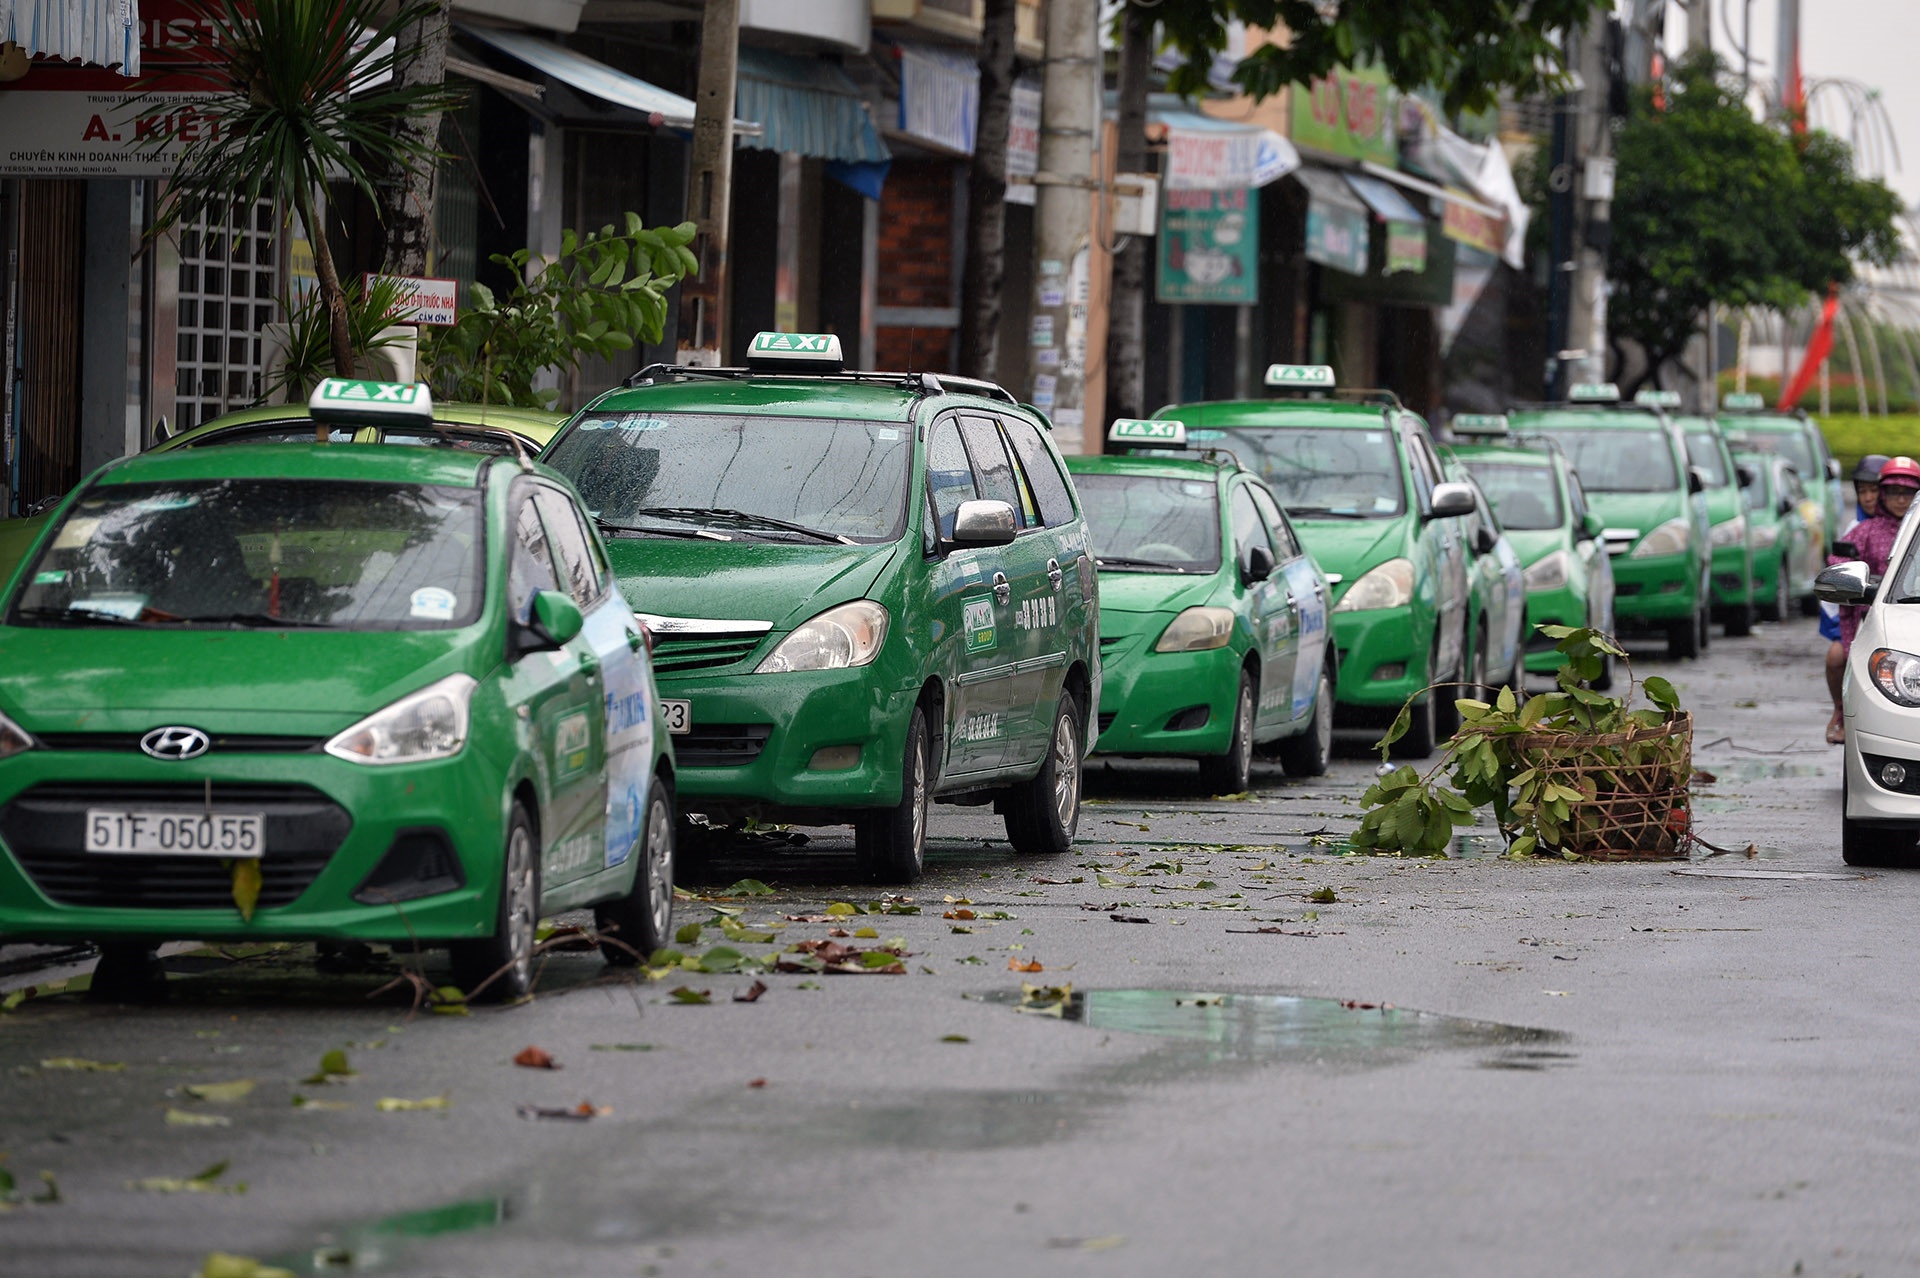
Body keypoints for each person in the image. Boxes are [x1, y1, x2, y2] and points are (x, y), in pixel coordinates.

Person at [1825, 454, 1887, 743]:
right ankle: (1840, 711)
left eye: (1874, 490)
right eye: (1862, 492)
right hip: (1860, 615)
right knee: (1837, 656)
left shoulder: (1909, 528)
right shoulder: (1857, 531)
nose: (1869, 497)